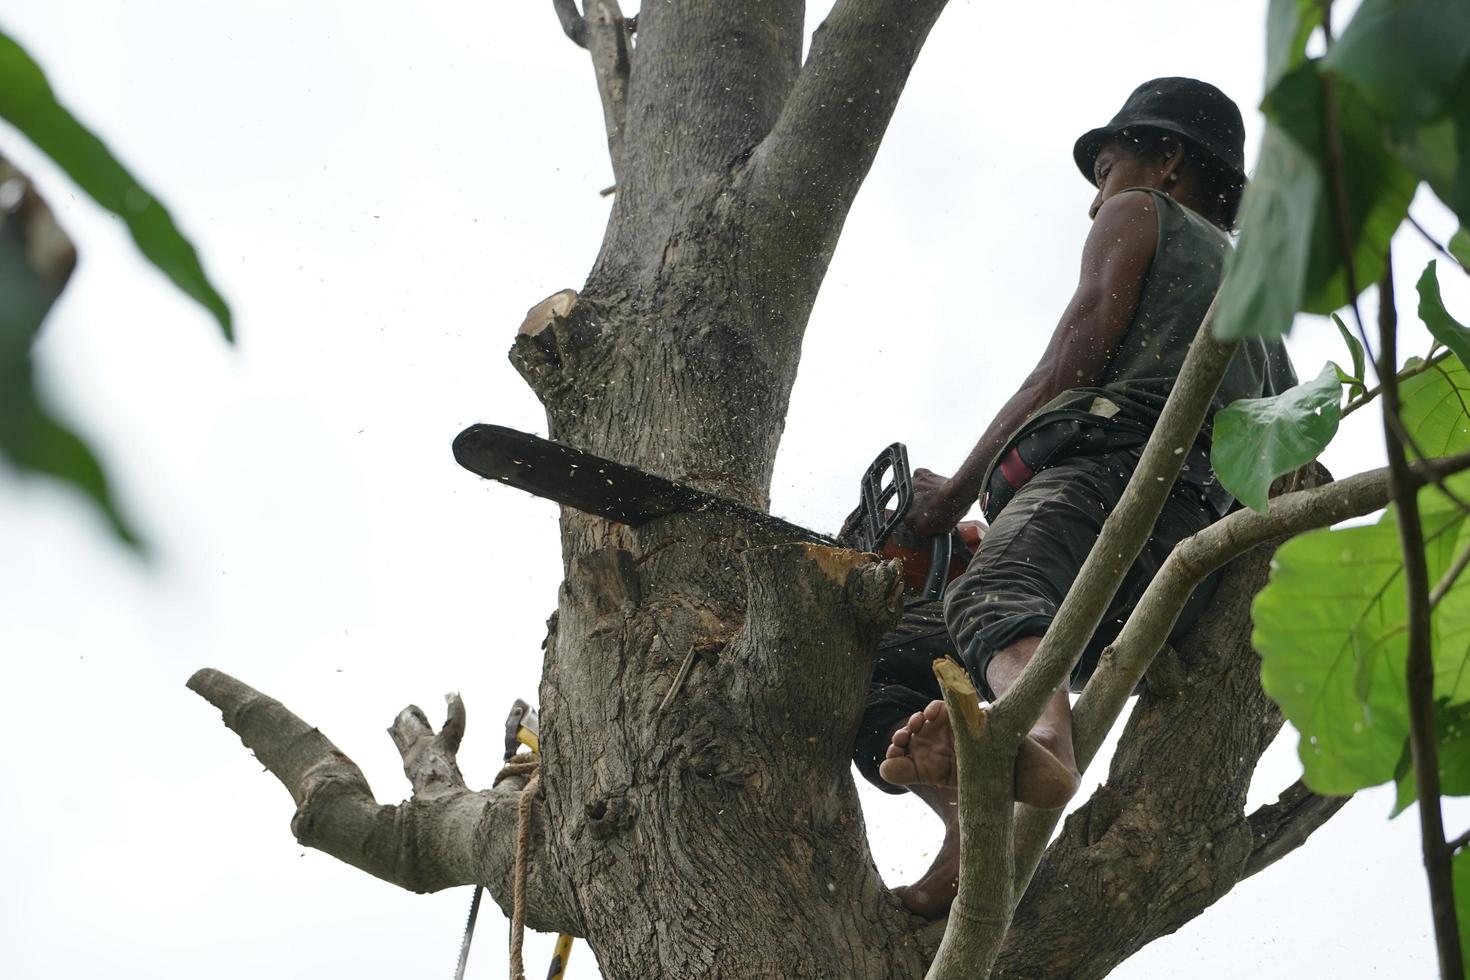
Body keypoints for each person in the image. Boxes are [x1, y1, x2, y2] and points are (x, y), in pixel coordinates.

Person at [850, 77, 1298, 918]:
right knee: (881, 666)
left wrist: (945, 503)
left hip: (1122, 472)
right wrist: (997, 523)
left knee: (989, 592)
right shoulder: (1260, 307)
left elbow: (1073, 360)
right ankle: (973, 833)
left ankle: (1038, 740)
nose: (1099, 200)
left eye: (1110, 168)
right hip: (1190, 552)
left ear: (1167, 165)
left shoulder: (1144, 217)